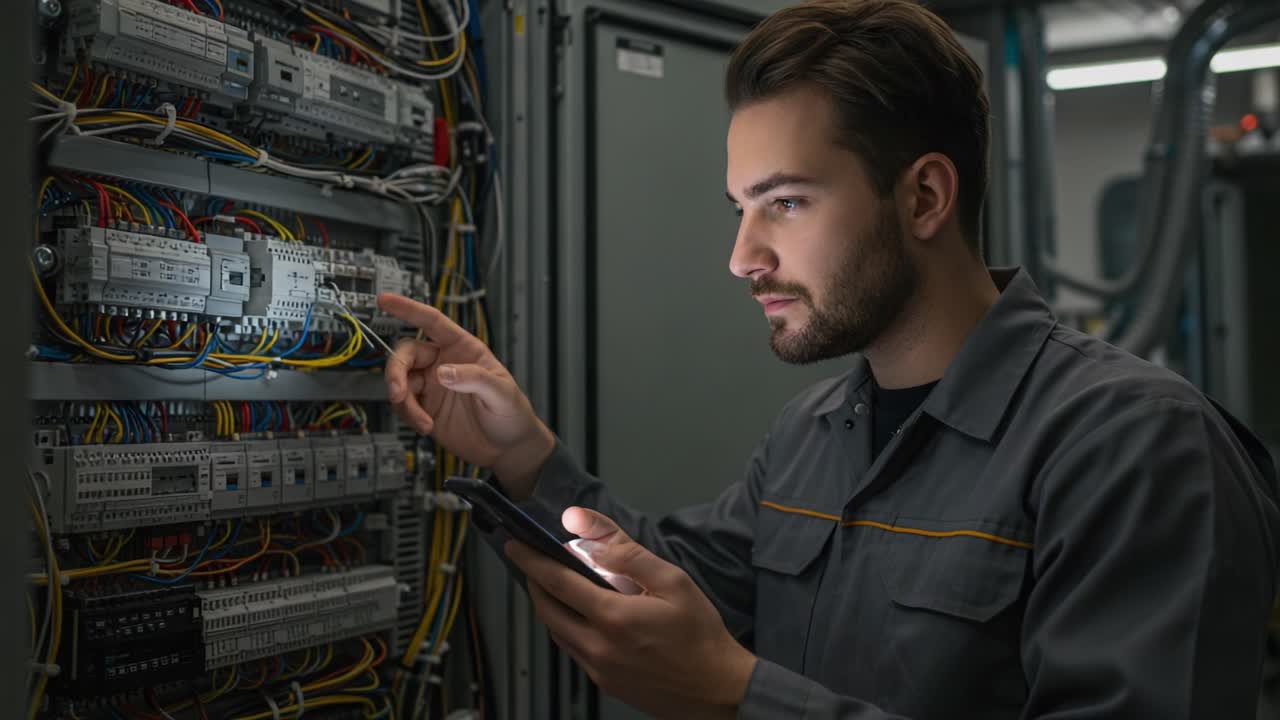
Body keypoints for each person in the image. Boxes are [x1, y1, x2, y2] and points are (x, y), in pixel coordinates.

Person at [377, 0, 1280, 716]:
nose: (742, 256)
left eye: (787, 203)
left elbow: (717, 668)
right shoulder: (814, 433)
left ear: (924, 195)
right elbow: (672, 581)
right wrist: (523, 455)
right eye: (741, 206)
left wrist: (738, 696)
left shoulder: (1136, 448)